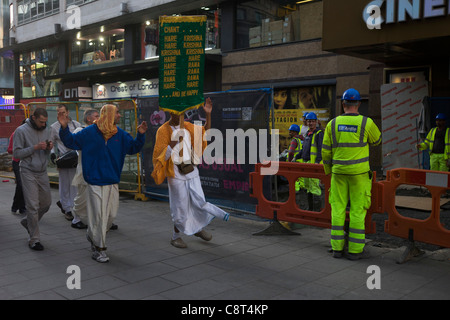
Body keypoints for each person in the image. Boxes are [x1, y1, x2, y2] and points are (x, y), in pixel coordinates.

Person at [58, 104, 147, 263]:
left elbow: (133, 148)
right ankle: (99, 249)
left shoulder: (120, 134)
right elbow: (71, 141)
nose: (119, 115)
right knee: (98, 215)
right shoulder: (90, 132)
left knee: (110, 216)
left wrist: (140, 135)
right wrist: (64, 127)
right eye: (117, 113)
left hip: (112, 181)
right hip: (94, 181)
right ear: (110, 114)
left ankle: (92, 235)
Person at [151, 97, 229, 249]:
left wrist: (208, 114)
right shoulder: (163, 130)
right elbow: (159, 157)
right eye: (177, 113)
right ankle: (176, 236)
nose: (181, 115)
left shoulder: (188, 126)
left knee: (198, 201)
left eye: (183, 113)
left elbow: (204, 131)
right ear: (170, 113)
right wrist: (173, 143)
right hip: (175, 173)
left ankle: (197, 228)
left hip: (191, 170)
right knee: (180, 205)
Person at [322, 88, 381, 260]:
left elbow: (325, 152)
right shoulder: (366, 122)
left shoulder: (332, 124)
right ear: (359, 104)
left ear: (343, 104)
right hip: (359, 174)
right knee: (357, 211)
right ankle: (355, 250)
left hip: (338, 173)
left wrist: (328, 171)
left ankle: (337, 249)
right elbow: (377, 140)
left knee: (338, 209)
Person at [13, 108, 54, 251]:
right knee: (32, 206)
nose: (44, 124)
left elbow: (47, 151)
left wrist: (49, 148)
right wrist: (35, 147)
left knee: (47, 203)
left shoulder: (46, 129)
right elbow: (17, 153)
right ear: (33, 118)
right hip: (27, 170)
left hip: (42, 171)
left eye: (45, 122)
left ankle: (28, 222)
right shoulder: (21, 130)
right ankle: (34, 239)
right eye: (41, 122)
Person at [50, 105, 82, 223]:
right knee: (64, 184)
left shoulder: (76, 125)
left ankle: (73, 206)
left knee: (74, 184)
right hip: (63, 159)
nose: (61, 114)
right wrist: (52, 153)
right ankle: (66, 207)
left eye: (63, 112)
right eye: (58, 112)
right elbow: (51, 141)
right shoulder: (54, 127)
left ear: (67, 112)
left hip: (75, 158)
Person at [70, 109, 99, 229]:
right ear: (89, 118)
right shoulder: (80, 131)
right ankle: (76, 219)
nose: (99, 117)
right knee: (82, 195)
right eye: (97, 116)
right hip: (84, 168)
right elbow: (76, 148)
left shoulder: (100, 130)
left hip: (98, 169)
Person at [296, 112, 324, 211]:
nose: (311, 123)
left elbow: (321, 149)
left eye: (312, 121)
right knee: (308, 188)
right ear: (306, 122)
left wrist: (317, 163)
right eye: (309, 121)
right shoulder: (307, 134)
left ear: (316, 122)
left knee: (315, 189)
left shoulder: (318, 134)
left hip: (313, 165)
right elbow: (304, 149)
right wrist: (296, 157)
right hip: (306, 164)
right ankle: (310, 211)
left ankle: (316, 213)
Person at [7, 120, 26, 215]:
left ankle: (20, 207)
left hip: (27, 163)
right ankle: (17, 206)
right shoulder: (15, 134)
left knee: (23, 186)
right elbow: (9, 150)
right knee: (21, 184)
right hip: (17, 162)